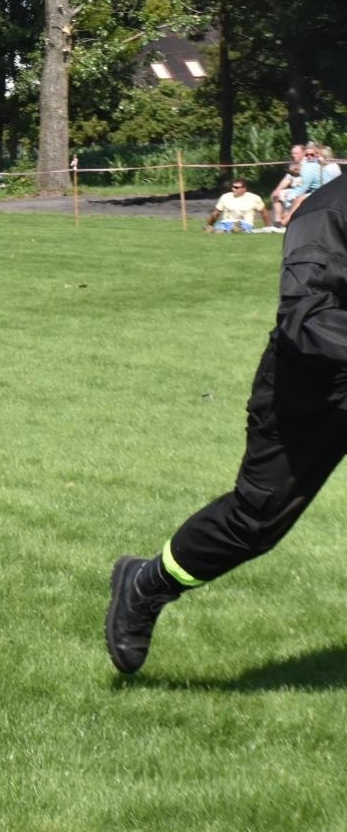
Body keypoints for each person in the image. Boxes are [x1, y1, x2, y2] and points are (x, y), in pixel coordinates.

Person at [105, 174, 347, 674]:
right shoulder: (327, 213)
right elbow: (305, 313)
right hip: (312, 391)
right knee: (255, 522)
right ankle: (146, 584)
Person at [280, 144, 325, 227]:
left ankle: (286, 221)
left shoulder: (310, 167)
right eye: (307, 155)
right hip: (314, 191)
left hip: (322, 192)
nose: (309, 157)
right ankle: (283, 220)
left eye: (312, 154)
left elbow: (303, 188)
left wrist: (289, 198)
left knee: (299, 199)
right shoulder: (308, 166)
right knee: (293, 198)